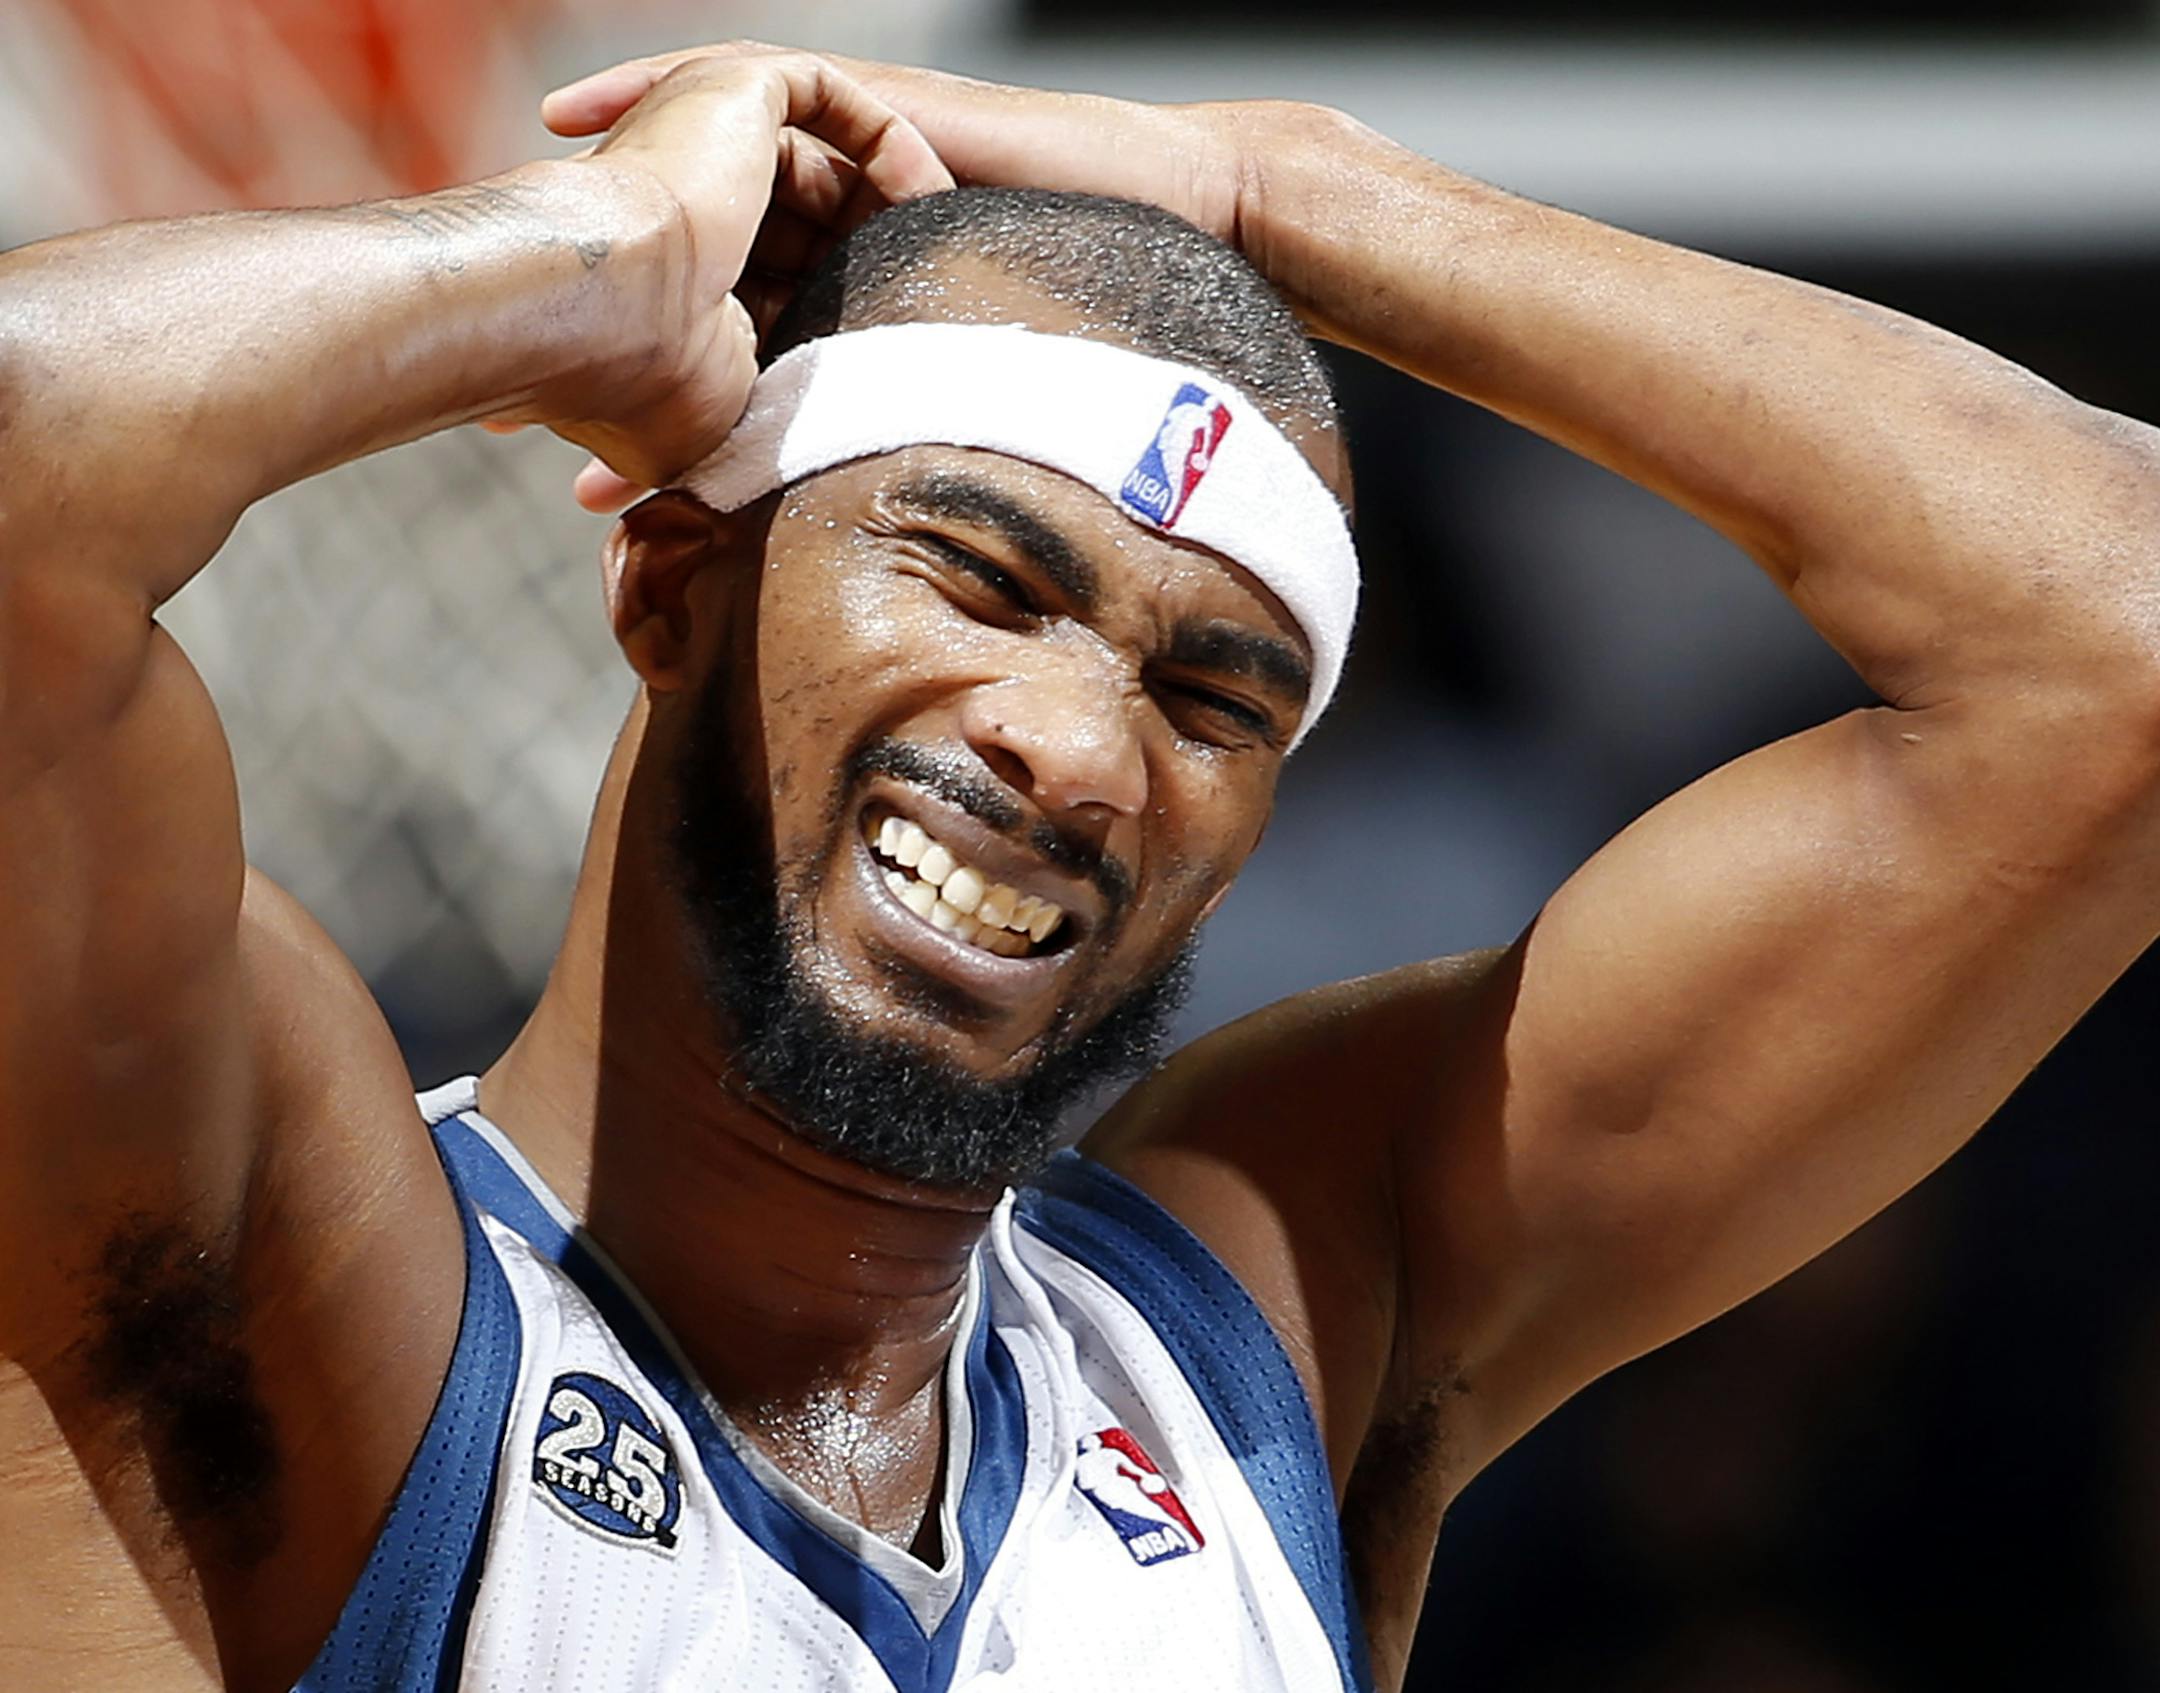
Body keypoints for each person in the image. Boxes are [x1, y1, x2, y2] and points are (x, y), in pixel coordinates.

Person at [2, 38, 2154, 1693]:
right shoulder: (279, 1242)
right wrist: (590, 270)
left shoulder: (1259, 1343)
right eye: (975, 573)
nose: (1075, 748)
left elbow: (2117, 651)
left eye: (1216, 696)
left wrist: (1284, 193)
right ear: (668, 579)